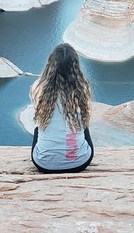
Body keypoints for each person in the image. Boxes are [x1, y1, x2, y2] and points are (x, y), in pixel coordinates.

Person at [30, 43, 94, 173]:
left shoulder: (38, 88)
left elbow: (39, 114)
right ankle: (73, 153)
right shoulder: (82, 88)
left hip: (44, 164)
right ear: (75, 67)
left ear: (50, 65)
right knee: (83, 126)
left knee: (38, 128)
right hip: (79, 163)